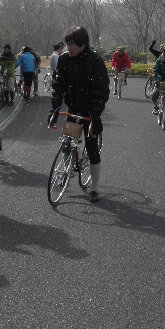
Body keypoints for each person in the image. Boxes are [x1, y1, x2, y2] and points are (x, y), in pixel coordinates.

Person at [48, 26, 109, 202]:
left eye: (72, 44)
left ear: (83, 44)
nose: (69, 47)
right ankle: (64, 171)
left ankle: (94, 187)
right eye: (67, 43)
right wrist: (55, 109)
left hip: (90, 111)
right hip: (73, 109)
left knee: (92, 147)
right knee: (67, 144)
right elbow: (58, 87)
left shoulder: (95, 61)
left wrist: (95, 116)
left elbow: (101, 91)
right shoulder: (64, 60)